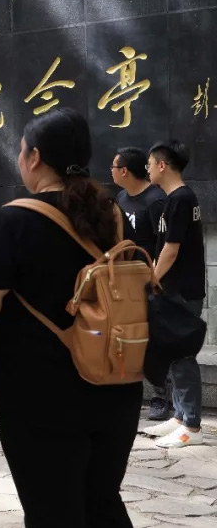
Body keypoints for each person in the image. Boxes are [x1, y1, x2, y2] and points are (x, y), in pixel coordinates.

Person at [0, 108, 141, 528]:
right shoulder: (111, 214)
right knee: (102, 502)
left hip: (39, 396)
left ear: (35, 157)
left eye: (22, 150)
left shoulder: (10, 222)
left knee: (52, 511)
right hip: (114, 383)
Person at [142, 140, 207, 449]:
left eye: (149, 164)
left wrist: (153, 279)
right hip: (177, 289)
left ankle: (191, 425)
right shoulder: (177, 198)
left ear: (162, 165)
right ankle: (180, 417)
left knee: (182, 357)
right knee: (175, 354)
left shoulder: (180, 198)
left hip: (181, 290)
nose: (147, 170)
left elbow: (171, 249)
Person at [110, 146, 170, 421]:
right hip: (124, 279)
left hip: (150, 280)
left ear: (124, 171)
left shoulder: (156, 201)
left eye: (114, 167)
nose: (110, 172)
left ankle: (161, 397)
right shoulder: (121, 198)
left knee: (155, 338)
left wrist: (155, 278)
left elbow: (165, 244)